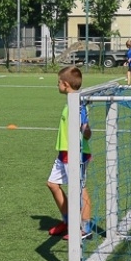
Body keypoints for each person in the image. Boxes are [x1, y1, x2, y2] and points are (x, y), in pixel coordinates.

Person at [48, 65, 94, 239]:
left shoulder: (78, 104)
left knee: (80, 189)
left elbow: (86, 130)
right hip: (64, 153)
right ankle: (69, 222)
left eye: (58, 82)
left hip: (75, 153)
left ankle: (85, 228)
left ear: (66, 84)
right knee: (52, 184)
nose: (57, 85)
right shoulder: (71, 101)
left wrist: (86, 130)